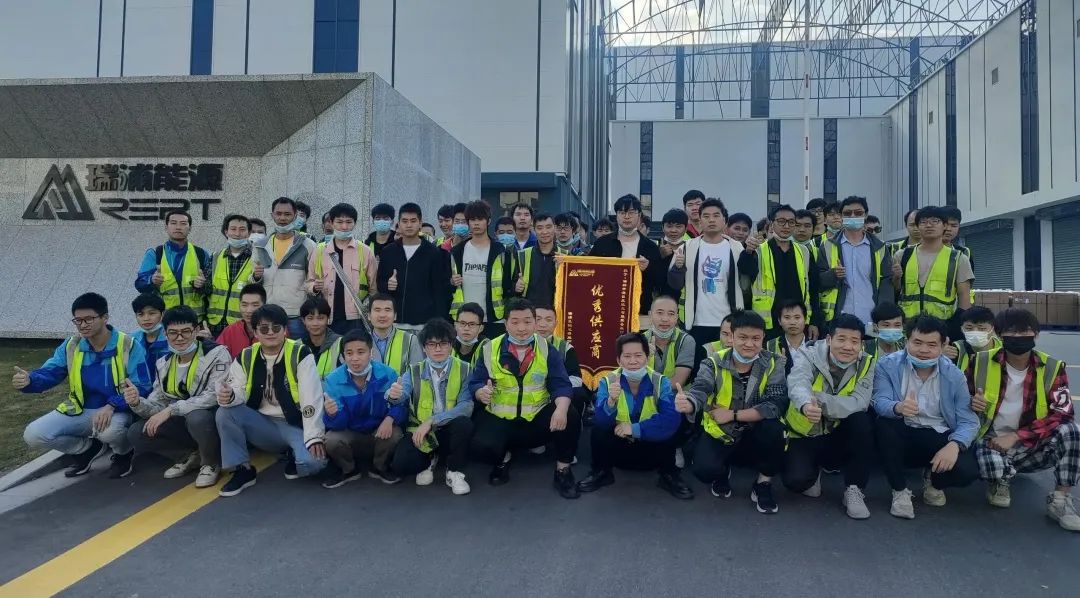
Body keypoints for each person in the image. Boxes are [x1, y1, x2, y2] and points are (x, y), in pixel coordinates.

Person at [14, 293, 151, 478]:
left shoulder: (128, 345)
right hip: (79, 409)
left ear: (105, 318)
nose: (83, 325)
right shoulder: (72, 345)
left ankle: (123, 454)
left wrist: (112, 405)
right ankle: (86, 449)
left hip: (117, 410)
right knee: (34, 434)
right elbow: (51, 372)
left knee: (110, 432)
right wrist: (30, 380)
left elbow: (142, 385)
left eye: (89, 319)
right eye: (78, 320)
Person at [968, 308, 1080, 531]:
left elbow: (1063, 413)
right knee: (989, 464)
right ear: (999, 334)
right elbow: (960, 400)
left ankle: (1060, 500)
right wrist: (971, 402)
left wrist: (1017, 436)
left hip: (1031, 444)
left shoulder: (1052, 367)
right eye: (1011, 332)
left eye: (1024, 332)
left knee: (1071, 430)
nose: (1018, 337)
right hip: (991, 442)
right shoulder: (979, 361)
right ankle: (1000, 477)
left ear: (1036, 334)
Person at [468, 298, 581, 498]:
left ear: (535, 323)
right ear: (506, 324)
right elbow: (475, 381)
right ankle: (503, 459)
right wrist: (480, 391)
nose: (522, 328)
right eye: (515, 322)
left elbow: (561, 384)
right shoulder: (490, 348)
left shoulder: (547, 349)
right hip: (501, 419)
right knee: (481, 447)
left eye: (527, 321)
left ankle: (563, 470)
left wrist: (561, 410)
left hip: (536, 419)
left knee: (570, 413)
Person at [872, 315, 979, 519]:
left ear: (943, 345)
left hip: (937, 434)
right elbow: (879, 401)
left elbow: (968, 420)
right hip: (902, 430)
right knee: (884, 426)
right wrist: (898, 407)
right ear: (906, 341)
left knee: (968, 470)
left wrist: (955, 445)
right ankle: (900, 490)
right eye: (917, 343)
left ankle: (934, 480)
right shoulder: (887, 365)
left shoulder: (954, 375)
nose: (923, 350)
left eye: (932, 345)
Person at [679, 310, 787, 514]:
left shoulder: (774, 362)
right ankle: (722, 469)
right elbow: (701, 388)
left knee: (775, 429)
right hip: (723, 430)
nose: (749, 344)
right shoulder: (712, 362)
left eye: (756, 338)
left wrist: (733, 414)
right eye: (743, 337)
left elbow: (775, 404)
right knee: (704, 470)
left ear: (763, 338)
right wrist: (690, 403)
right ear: (732, 336)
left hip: (756, 428)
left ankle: (763, 483)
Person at [215, 304, 327, 497]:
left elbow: (312, 398)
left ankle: (294, 452)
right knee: (225, 412)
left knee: (314, 463)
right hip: (262, 424)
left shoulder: (301, 353)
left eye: (276, 328)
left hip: (293, 425)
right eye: (264, 328)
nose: (270, 333)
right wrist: (230, 396)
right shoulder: (246, 356)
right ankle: (242, 470)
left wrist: (314, 437)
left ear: (285, 330)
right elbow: (237, 390)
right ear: (255, 332)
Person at [124, 306, 230, 488]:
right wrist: (137, 402)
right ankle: (188, 456)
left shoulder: (217, 353)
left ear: (196, 330)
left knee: (197, 417)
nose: (179, 338)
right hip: (183, 419)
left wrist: (171, 410)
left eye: (186, 331)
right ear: (165, 333)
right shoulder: (163, 363)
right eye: (173, 333)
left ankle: (210, 463)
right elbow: (158, 403)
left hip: (212, 419)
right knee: (137, 432)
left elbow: (213, 395)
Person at [783, 313, 876, 519]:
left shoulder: (867, 363)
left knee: (862, 421)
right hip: (805, 433)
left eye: (854, 341)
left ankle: (854, 489)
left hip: (837, 432)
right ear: (829, 339)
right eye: (841, 339)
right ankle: (814, 471)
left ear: (861, 344)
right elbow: (798, 383)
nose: (848, 346)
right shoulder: (808, 354)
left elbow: (860, 402)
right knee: (795, 482)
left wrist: (820, 400)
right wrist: (806, 404)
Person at [577, 333, 691, 499]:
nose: (633, 361)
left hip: (651, 447)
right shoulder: (607, 382)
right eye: (627, 356)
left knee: (675, 418)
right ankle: (601, 472)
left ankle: (668, 475)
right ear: (619, 360)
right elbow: (600, 421)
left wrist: (634, 428)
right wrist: (611, 401)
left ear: (647, 357)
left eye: (638, 355)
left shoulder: (661, 382)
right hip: (619, 451)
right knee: (598, 429)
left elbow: (670, 421)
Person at [387, 319, 475, 494]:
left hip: (449, 428)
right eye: (432, 344)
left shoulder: (465, 369)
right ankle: (430, 459)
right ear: (424, 348)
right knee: (400, 465)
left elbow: (466, 406)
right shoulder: (413, 370)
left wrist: (432, 421)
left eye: (443, 343)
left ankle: (454, 471)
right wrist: (393, 395)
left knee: (464, 424)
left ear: (451, 345)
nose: (438, 349)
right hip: (421, 431)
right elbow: (401, 395)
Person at [320, 328, 404, 488]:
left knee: (395, 433)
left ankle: (379, 467)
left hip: (378, 431)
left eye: (361, 352)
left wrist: (390, 417)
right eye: (349, 353)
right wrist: (333, 415)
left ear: (371, 353)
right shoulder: (333, 380)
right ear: (343, 356)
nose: (355, 358)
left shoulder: (388, 374)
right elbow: (338, 425)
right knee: (331, 440)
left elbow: (401, 406)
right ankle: (349, 470)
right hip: (351, 432)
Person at [740, 204, 823, 341]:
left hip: (798, 320)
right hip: (767, 321)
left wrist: (814, 321)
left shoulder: (804, 251)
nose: (786, 226)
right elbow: (745, 270)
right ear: (772, 224)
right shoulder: (758, 250)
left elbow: (813, 289)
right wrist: (748, 251)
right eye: (781, 221)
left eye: (791, 222)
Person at [817, 195, 893, 329]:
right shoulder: (827, 246)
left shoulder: (880, 247)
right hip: (838, 318)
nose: (853, 216)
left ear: (866, 215)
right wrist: (833, 274)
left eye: (858, 213)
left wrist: (883, 316)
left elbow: (886, 283)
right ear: (841, 216)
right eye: (847, 213)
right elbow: (817, 280)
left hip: (870, 318)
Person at [590, 193, 663, 327]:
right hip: (605, 309)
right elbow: (588, 272)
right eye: (622, 212)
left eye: (631, 212)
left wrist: (648, 268)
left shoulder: (650, 247)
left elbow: (660, 281)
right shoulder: (602, 243)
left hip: (639, 312)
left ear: (639, 216)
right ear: (616, 216)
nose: (627, 216)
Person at [376, 202, 451, 331]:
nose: (409, 225)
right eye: (404, 221)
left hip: (424, 324)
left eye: (413, 221)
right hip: (394, 322)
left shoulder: (433, 253)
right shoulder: (388, 252)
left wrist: (438, 323)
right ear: (399, 224)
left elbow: (440, 291)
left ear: (420, 223)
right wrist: (388, 285)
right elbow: (380, 284)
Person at [250, 197, 318, 339]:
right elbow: (252, 281)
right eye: (278, 214)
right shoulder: (260, 246)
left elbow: (313, 280)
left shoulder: (308, 245)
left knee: (297, 352)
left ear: (295, 216)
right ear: (272, 215)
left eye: (287, 214)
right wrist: (256, 277)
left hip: (296, 316)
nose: (282, 218)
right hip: (268, 314)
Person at [892, 206, 973, 324]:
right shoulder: (902, 255)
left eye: (935, 221)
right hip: (908, 326)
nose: (929, 225)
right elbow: (894, 292)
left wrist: (957, 327)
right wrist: (896, 278)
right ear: (917, 226)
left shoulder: (958, 258)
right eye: (923, 222)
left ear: (944, 225)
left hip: (943, 326)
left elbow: (964, 298)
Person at [308, 203, 377, 334]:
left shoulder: (365, 251)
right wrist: (314, 287)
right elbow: (308, 282)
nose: (344, 227)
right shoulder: (319, 250)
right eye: (339, 222)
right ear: (331, 223)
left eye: (349, 222)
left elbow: (373, 289)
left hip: (356, 319)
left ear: (355, 223)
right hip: (326, 317)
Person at [134, 209, 212, 321]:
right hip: (165, 321)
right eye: (173, 223)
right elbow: (139, 284)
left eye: (183, 223)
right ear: (166, 227)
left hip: (195, 321)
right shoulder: (155, 254)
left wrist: (203, 285)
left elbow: (211, 288)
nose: (178, 227)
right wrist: (151, 280)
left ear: (190, 228)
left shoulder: (201, 254)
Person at [451, 200, 511, 339]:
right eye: (472, 220)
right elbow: (447, 285)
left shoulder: (500, 251)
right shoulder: (457, 251)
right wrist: (451, 281)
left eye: (480, 219)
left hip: (493, 318)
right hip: (464, 319)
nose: (476, 223)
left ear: (488, 221)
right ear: (468, 222)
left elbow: (508, 284)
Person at [534, 304, 589, 416]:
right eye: (538, 319)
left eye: (548, 320)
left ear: (556, 324)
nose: (543, 324)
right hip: (528, 393)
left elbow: (576, 378)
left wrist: (557, 388)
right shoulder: (519, 344)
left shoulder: (565, 347)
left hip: (556, 394)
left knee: (578, 393)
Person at [206, 214, 254, 337]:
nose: (237, 234)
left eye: (242, 229)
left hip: (242, 325)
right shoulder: (216, 257)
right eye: (233, 229)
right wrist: (199, 284)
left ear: (249, 233)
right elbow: (206, 288)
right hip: (215, 324)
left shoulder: (256, 258)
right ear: (226, 232)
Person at [641, 296, 695, 388]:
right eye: (660, 313)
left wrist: (648, 388)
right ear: (650, 315)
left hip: (676, 394)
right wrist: (643, 359)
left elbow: (678, 382)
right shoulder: (639, 341)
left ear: (676, 317)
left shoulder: (686, 341)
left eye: (671, 314)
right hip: (644, 394)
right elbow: (631, 378)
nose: (665, 319)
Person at [367, 293, 423, 375]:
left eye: (387, 310)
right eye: (377, 310)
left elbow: (417, 374)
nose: (382, 315)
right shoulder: (360, 340)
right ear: (369, 316)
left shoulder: (410, 340)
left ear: (395, 316)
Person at [514, 212, 560, 307]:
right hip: (529, 311)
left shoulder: (565, 256)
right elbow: (512, 284)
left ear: (555, 228)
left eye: (548, 227)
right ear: (533, 230)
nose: (544, 232)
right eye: (540, 228)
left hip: (556, 311)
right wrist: (516, 287)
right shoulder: (522, 255)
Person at [216, 283, 265, 359]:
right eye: (244, 305)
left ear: (264, 305)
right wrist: (209, 342)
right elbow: (217, 357)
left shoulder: (273, 331)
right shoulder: (230, 331)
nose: (249, 310)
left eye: (255, 305)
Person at [945, 306, 1000, 372]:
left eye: (982, 329)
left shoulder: (1004, 351)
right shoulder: (956, 350)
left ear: (992, 329)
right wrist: (941, 357)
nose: (975, 332)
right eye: (969, 328)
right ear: (962, 329)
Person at [298, 297, 342, 378]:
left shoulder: (341, 343)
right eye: (310, 318)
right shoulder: (297, 346)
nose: (315, 323)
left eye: (320, 318)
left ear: (328, 319)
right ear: (303, 320)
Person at [131, 293, 170, 382]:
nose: (146, 318)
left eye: (152, 313)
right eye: (141, 314)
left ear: (163, 314)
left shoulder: (172, 338)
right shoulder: (130, 340)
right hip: (139, 388)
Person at [765, 299, 807, 372]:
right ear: (779, 321)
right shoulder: (770, 346)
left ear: (805, 319)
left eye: (797, 317)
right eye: (787, 317)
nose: (792, 322)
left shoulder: (816, 345)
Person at [452, 302, 487, 367]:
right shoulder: (447, 346)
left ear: (481, 328)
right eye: (462, 323)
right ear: (455, 325)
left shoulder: (488, 348)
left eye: (472, 324)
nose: (466, 328)